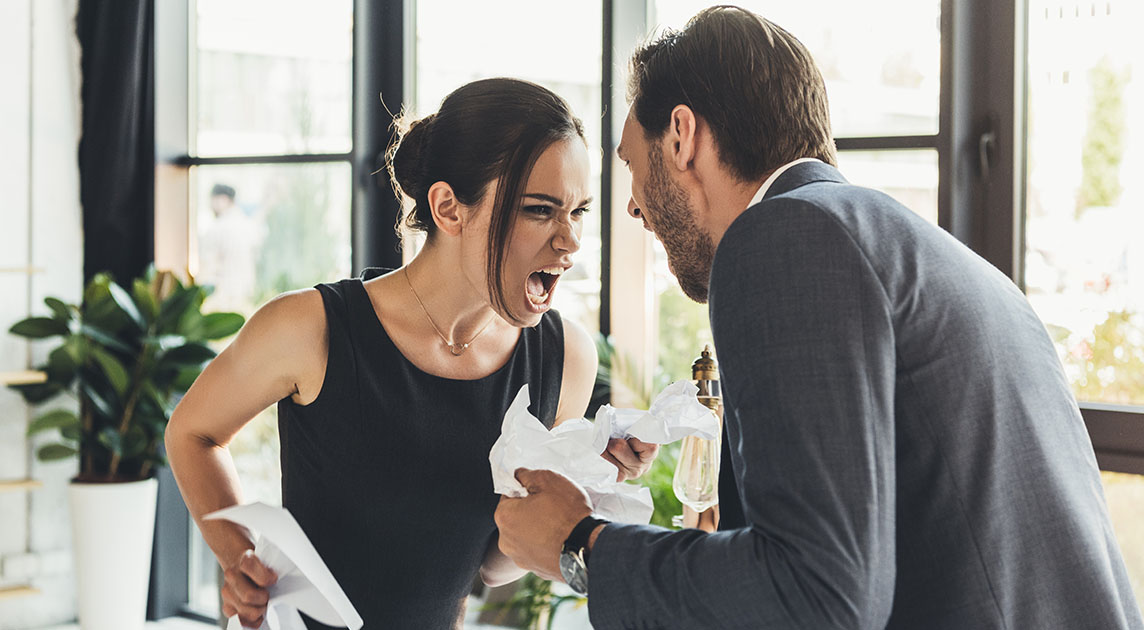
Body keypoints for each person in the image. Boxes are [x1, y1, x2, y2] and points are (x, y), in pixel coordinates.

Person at [494, 7, 1144, 630]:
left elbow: (820, 595)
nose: (634, 206)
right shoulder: (910, 249)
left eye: (634, 166)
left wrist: (582, 545)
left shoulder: (783, 236)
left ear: (683, 137)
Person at [165, 78, 658, 629]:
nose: (570, 241)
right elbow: (191, 433)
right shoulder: (311, 328)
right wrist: (240, 556)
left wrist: (588, 482)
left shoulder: (564, 359)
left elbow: (494, 565)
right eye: (539, 210)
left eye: (579, 212)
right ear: (448, 208)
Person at [198, 183, 263, 313]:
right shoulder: (247, 225)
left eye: (213, 200)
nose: (211, 205)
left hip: (223, 293)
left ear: (224, 199)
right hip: (245, 291)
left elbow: (208, 264)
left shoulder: (218, 228)